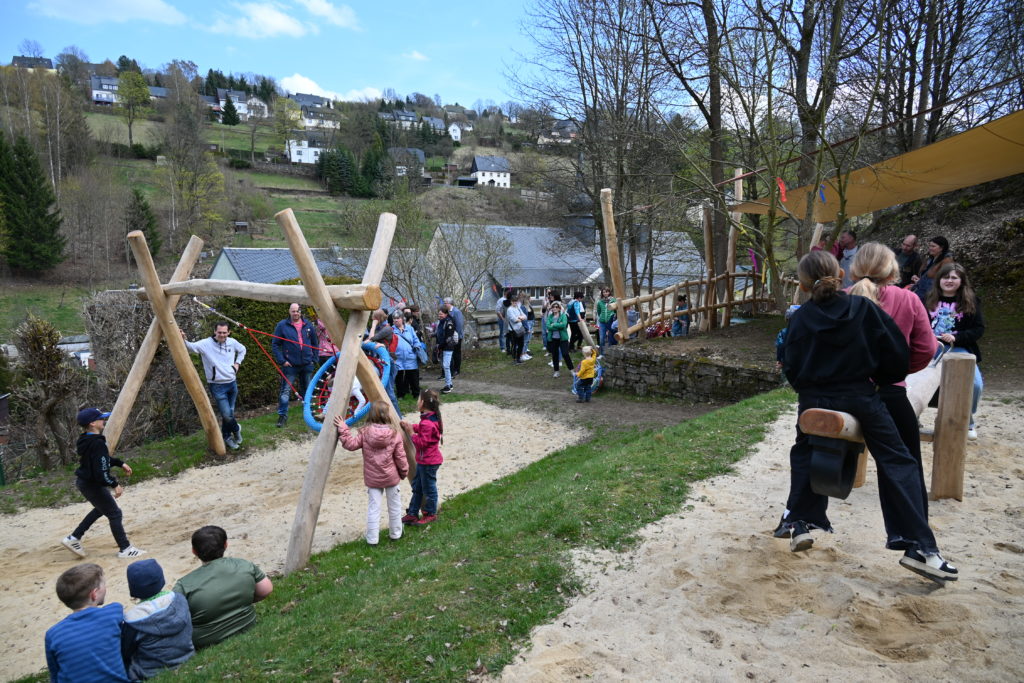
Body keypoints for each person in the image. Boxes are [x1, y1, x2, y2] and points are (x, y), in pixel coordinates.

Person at [777, 250, 957, 584]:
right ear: (840, 276)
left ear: (802, 286)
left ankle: (797, 520)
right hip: (860, 395)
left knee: (804, 452)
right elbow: (895, 352)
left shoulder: (801, 318)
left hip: (814, 398)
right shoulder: (862, 308)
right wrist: (880, 380)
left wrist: (811, 389)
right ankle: (919, 547)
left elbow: (790, 364)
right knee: (898, 461)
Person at [846, 243, 937, 548]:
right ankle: (910, 537)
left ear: (855, 268)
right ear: (892, 269)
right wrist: (898, 371)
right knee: (905, 464)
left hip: (845, 393)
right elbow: (926, 349)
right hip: (889, 393)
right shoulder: (908, 299)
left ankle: (798, 518)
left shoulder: (840, 299)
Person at [62, 407, 145, 559]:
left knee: (101, 509)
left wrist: (120, 463)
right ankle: (125, 549)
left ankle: (74, 537)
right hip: (92, 484)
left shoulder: (86, 440)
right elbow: (101, 471)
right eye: (101, 418)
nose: (104, 420)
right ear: (92, 423)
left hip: (84, 482)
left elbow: (101, 460)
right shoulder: (97, 443)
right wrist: (114, 484)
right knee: (115, 513)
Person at [173, 525, 273, 649]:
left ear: (194, 551)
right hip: (246, 625)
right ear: (226, 545)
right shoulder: (244, 565)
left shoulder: (183, 585)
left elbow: (174, 620)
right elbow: (266, 590)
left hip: (205, 642)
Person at [335, 402, 409, 545]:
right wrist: (404, 472)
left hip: (373, 478)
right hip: (391, 477)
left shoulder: (365, 433)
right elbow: (401, 457)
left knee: (373, 509)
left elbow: (350, 444)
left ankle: (372, 539)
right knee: (394, 506)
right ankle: (396, 534)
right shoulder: (395, 434)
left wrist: (343, 428)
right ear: (387, 415)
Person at [926, 262, 984, 440]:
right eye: (945, 277)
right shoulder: (927, 299)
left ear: (961, 281)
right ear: (939, 279)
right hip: (930, 348)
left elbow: (978, 329)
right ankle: (913, 415)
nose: (949, 281)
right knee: (913, 379)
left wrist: (956, 337)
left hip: (958, 348)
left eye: (954, 277)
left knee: (975, 384)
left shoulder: (970, 301)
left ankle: (967, 420)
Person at [45, 563, 130, 683]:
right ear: (94, 594)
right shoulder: (112, 613)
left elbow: (54, 673)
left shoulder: (53, 634)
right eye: (103, 584)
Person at [121, 559, 195, 680]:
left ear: (133, 589)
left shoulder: (132, 621)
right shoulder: (180, 600)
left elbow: (126, 651)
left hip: (147, 674)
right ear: (161, 580)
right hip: (187, 658)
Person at [182, 323, 247, 450]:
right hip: (217, 386)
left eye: (224, 332)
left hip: (232, 383)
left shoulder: (232, 342)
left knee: (228, 414)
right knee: (227, 415)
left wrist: (237, 364)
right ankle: (236, 429)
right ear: (215, 332)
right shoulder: (206, 344)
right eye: (219, 332)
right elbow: (190, 347)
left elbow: (242, 349)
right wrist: (182, 338)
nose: (222, 335)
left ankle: (227, 437)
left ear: (229, 332)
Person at [400, 389, 444, 526]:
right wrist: (412, 427)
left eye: (418, 399)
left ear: (423, 403)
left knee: (429, 490)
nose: (417, 401)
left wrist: (411, 433)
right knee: (417, 487)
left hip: (428, 463)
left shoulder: (427, 423)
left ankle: (430, 514)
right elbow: (423, 429)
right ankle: (413, 513)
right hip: (424, 461)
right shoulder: (429, 418)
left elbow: (421, 443)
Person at [271, 303, 318, 428]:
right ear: (289, 312)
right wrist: (282, 361)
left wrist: (314, 359)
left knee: (308, 390)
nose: (295, 313)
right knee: (285, 391)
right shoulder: (282, 325)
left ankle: (309, 413)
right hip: (290, 365)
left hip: (307, 364)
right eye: (293, 311)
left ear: (300, 312)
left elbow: (315, 343)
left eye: (297, 311)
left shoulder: (308, 325)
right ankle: (282, 416)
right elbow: (275, 344)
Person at [368, 309, 403, 419]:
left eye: (374, 318)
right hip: (382, 363)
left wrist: (373, 325)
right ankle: (387, 416)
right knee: (383, 391)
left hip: (389, 364)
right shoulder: (381, 328)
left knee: (389, 392)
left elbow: (371, 338)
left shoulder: (386, 329)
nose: (372, 319)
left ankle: (399, 418)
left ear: (378, 318)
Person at [910, 235, 953, 302]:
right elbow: (925, 276)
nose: (930, 248)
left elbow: (942, 281)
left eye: (933, 246)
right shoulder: (930, 259)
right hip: (921, 291)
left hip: (930, 296)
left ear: (941, 248)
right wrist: (919, 280)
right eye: (929, 246)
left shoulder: (947, 262)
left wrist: (921, 282)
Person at [393, 314, 422, 400]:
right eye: (394, 319)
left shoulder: (410, 328)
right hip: (397, 357)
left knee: (413, 377)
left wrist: (417, 346)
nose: (396, 320)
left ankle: (416, 394)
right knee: (399, 377)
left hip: (410, 356)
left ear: (402, 319)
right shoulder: (391, 330)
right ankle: (400, 395)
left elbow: (416, 339)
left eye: (398, 318)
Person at [544, 300, 572, 378]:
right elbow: (548, 326)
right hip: (553, 339)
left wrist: (553, 324)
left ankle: (572, 370)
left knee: (565, 354)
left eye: (556, 307)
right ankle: (556, 371)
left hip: (563, 338)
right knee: (555, 355)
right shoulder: (550, 317)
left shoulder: (563, 316)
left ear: (559, 308)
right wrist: (557, 325)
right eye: (553, 307)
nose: (554, 308)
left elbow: (563, 325)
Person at [436, 304, 458, 394]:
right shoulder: (441, 322)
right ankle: (450, 384)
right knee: (445, 365)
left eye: (441, 314)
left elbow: (448, 337)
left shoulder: (449, 323)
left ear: (446, 314)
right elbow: (440, 333)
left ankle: (448, 386)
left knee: (446, 366)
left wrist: (440, 346)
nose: (439, 316)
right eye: (439, 314)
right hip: (442, 346)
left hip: (448, 347)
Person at [443, 297, 465, 376]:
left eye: (445, 303)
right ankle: (451, 369)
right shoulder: (447, 312)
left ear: (450, 303)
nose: (444, 304)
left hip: (456, 336)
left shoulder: (456, 312)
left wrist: (457, 336)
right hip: (449, 336)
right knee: (451, 353)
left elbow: (459, 324)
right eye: (444, 303)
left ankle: (457, 369)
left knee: (456, 353)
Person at [505, 294, 528, 364]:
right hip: (513, 330)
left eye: (516, 301)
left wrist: (519, 317)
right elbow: (514, 320)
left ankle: (518, 358)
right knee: (514, 345)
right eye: (513, 301)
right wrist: (520, 317)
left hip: (520, 329)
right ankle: (514, 359)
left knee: (521, 344)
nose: (515, 302)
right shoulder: (509, 309)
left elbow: (525, 316)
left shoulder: (518, 307)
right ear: (511, 301)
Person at [520, 292, 535, 359]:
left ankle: (525, 353)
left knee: (528, 340)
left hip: (531, 323)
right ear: (527, 299)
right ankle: (522, 354)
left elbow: (533, 315)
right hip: (527, 324)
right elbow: (524, 319)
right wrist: (526, 328)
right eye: (530, 298)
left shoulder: (530, 306)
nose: (531, 299)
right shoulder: (523, 307)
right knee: (525, 340)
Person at [494, 288, 510, 353]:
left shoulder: (509, 300)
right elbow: (497, 310)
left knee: (508, 333)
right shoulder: (501, 300)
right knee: (502, 333)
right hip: (502, 319)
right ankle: (502, 348)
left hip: (508, 319)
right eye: (508, 292)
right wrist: (502, 319)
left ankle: (508, 347)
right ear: (505, 292)